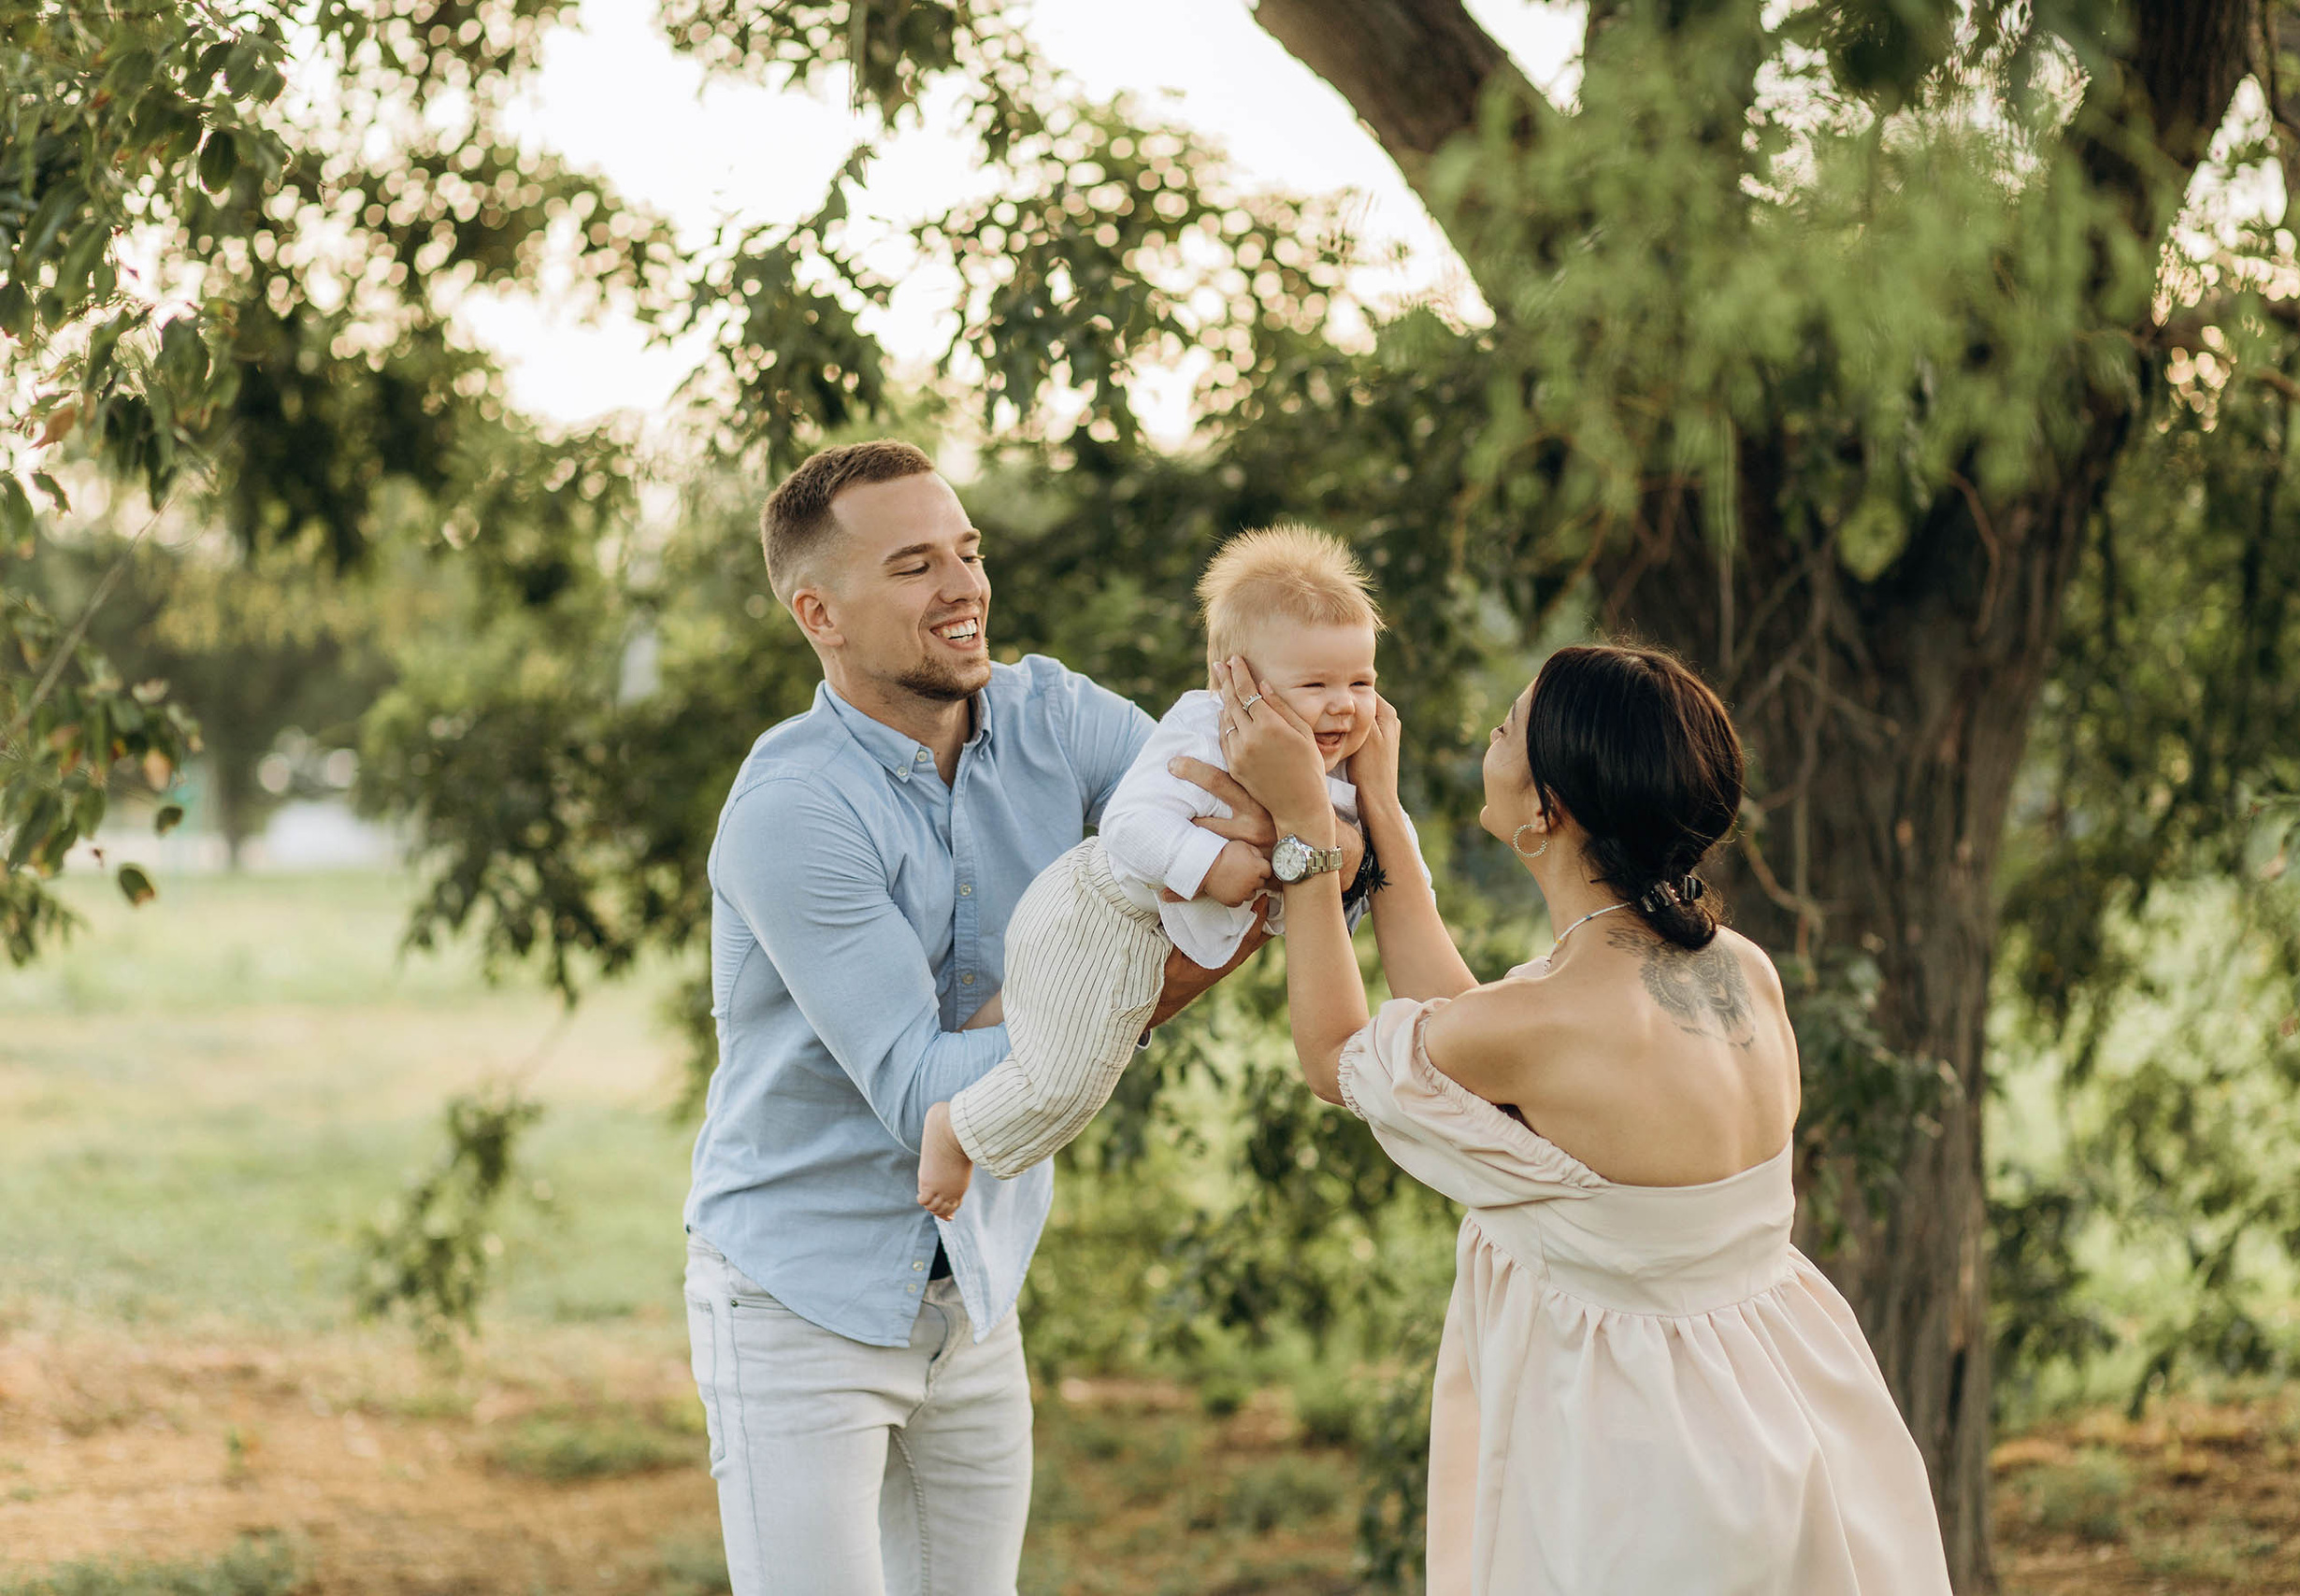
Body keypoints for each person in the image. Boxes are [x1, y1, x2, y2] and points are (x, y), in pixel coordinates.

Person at [683, 440, 1353, 1595]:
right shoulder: (792, 807)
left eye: (969, 550)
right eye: (913, 566)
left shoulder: (1055, 716)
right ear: (818, 612)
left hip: (976, 1286)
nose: (964, 588)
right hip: (800, 1298)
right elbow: (925, 1099)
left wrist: (1308, 804)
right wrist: (1140, 973)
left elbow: (1242, 823)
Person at [1217, 641, 1953, 1595]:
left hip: (1644, 1453)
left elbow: (1336, 1058)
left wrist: (1306, 830)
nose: (1494, 727)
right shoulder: (1736, 969)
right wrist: (1382, 815)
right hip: (1789, 1405)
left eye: (1511, 724)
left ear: (1544, 809)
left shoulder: (1546, 1020)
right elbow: (1474, 1051)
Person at [915, 524, 1392, 1219]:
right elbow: (1129, 823)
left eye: (1361, 681)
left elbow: (1383, 859)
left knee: (1029, 1033)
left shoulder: (1341, 759)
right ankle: (953, 1129)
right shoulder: (1202, 732)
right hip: (1098, 918)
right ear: (1238, 684)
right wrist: (1210, 862)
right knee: (1067, 1083)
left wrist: (1354, 833)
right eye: (1316, 683)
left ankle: (972, 1053)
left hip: (1135, 936)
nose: (1344, 704)